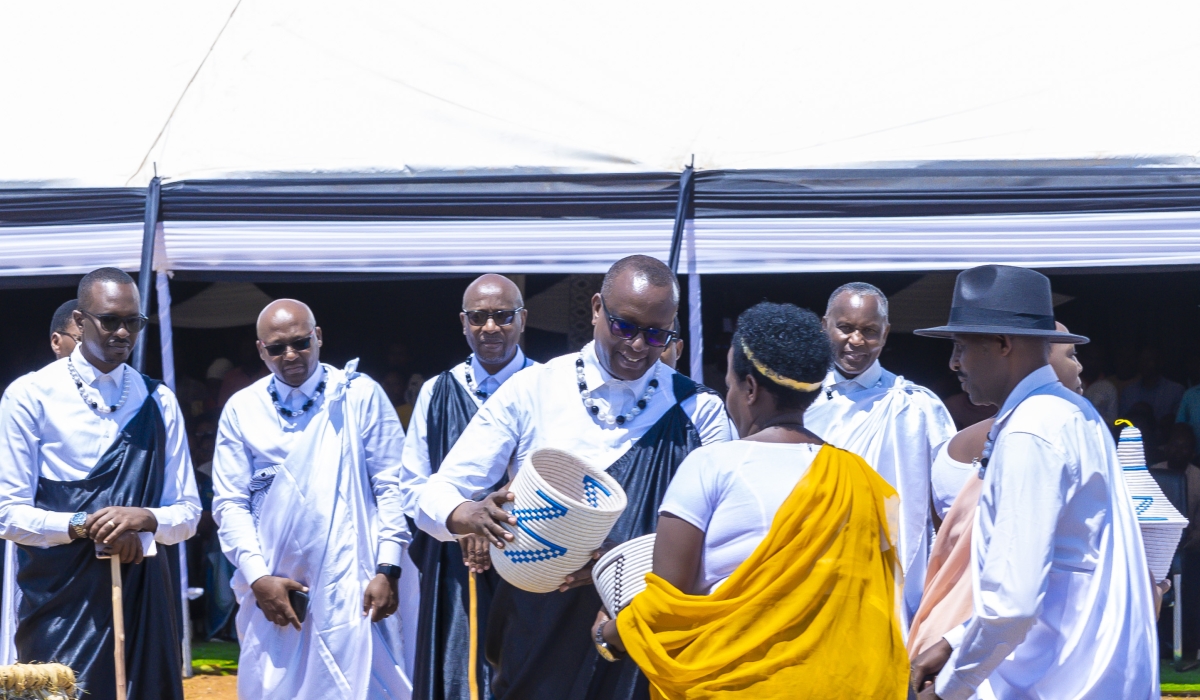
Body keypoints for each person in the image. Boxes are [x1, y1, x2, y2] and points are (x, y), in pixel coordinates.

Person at [416, 255, 732, 700]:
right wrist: (466, 513)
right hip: (536, 629)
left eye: (657, 334)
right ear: (597, 308)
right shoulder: (534, 389)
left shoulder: (699, 411)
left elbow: (722, 534)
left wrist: (624, 561)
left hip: (641, 633)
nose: (639, 345)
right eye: (625, 326)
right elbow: (433, 492)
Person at [593, 302, 907, 699]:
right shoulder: (861, 479)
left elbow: (665, 603)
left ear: (751, 388)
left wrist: (609, 634)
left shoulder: (711, 465)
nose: (728, 394)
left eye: (728, 382)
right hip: (839, 685)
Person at [910, 264, 1156, 699]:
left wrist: (947, 690)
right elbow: (1057, 572)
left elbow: (1013, 604)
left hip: (1055, 684)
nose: (953, 363)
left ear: (1003, 344)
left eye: (961, 346)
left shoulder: (1032, 430)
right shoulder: (1072, 413)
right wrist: (953, 640)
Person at [0, 267, 201, 699]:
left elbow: (188, 513)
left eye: (133, 321)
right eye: (111, 320)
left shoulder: (158, 399)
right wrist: (83, 524)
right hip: (59, 604)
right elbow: (7, 513)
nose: (123, 332)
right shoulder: (30, 396)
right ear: (78, 320)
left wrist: (144, 519)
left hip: (142, 595)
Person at [212, 299, 413, 700]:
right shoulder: (242, 408)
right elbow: (229, 502)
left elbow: (392, 485)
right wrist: (257, 578)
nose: (290, 355)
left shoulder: (358, 395)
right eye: (276, 347)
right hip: (275, 588)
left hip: (355, 582)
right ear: (260, 350)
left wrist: (387, 568)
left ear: (318, 337)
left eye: (301, 342)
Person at [909, 322, 1085, 658]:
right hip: (989, 640)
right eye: (1072, 354)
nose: (1079, 367)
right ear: (1039, 358)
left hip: (952, 626)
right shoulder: (1029, 438)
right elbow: (1018, 592)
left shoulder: (1050, 430)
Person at [399, 274, 535, 700]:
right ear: (463, 322)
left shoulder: (549, 386)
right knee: (459, 676)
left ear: (522, 319)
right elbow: (412, 487)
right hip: (456, 569)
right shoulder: (437, 392)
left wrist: (497, 526)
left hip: (532, 559)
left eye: (501, 316)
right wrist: (463, 523)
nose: (489, 327)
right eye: (478, 317)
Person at [803, 281, 955, 622]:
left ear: (885, 334)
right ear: (823, 325)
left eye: (869, 331)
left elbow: (948, 505)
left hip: (892, 574)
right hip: (814, 567)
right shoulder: (797, 401)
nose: (856, 341)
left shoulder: (916, 406)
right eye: (844, 328)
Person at [1120, 347, 1184, 421]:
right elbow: (1122, 422)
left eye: (1148, 360)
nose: (1144, 364)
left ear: (1159, 362)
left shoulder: (1175, 391)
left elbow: (1179, 423)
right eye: (1141, 360)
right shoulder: (1128, 392)